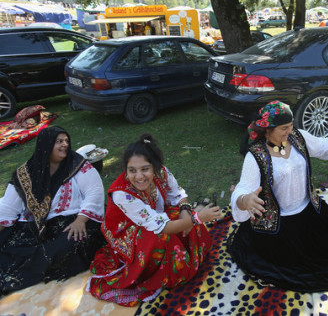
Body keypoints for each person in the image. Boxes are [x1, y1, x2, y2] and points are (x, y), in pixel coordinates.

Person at [228, 101, 328, 292]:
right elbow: (242, 189)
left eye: (291, 126)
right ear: (268, 129)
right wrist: (246, 200)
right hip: (279, 224)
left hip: (310, 210)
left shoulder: (298, 137)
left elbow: (325, 145)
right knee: (301, 267)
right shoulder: (255, 156)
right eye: (284, 128)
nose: (290, 131)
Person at [87, 133, 222, 307]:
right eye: (132, 170)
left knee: (184, 221)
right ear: (125, 169)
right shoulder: (122, 194)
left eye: (145, 169)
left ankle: (185, 259)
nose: (139, 176)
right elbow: (162, 227)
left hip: (155, 219)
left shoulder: (161, 172)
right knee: (160, 237)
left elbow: (178, 194)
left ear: (154, 167)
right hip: (127, 232)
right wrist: (197, 218)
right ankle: (166, 274)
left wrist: (185, 211)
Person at [0, 126, 105, 295]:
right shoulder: (26, 174)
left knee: (73, 244)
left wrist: (81, 220)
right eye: (59, 141)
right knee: (9, 244)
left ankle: (24, 275)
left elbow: (95, 192)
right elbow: (9, 206)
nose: (64, 145)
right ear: (45, 144)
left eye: (66, 141)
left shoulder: (77, 165)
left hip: (74, 220)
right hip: (38, 225)